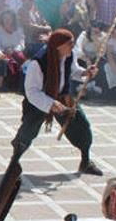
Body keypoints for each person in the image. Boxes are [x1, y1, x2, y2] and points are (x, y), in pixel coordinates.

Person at [10, 29, 104, 176]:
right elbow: (32, 91)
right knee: (28, 131)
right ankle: (13, 163)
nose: (72, 47)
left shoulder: (68, 55)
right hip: (40, 99)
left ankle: (85, 161)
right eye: (70, 44)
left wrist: (85, 73)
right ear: (59, 46)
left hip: (62, 97)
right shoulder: (38, 62)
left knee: (81, 125)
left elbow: (73, 71)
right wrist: (50, 103)